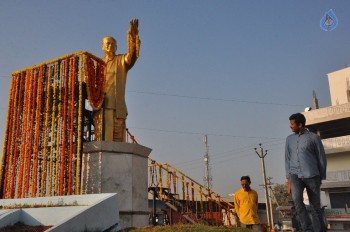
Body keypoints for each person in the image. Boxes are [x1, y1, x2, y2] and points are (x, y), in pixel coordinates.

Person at [95, 19, 140, 142]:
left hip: (117, 108)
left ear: (116, 46)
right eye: (107, 43)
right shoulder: (97, 64)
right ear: (102, 46)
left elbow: (133, 55)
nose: (110, 46)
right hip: (101, 108)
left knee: (118, 143)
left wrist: (133, 36)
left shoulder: (121, 60)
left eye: (112, 44)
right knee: (101, 141)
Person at [285, 113, 327, 232]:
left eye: (292, 124)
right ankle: (307, 229)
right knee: (297, 202)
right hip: (294, 175)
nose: (290, 126)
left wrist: (321, 177)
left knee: (315, 206)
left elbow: (321, 158)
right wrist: (288, 178)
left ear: (300, 124)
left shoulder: (314, 138)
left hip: (312, 175)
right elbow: (287, 159)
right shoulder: (289, 139)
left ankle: (320, 230)